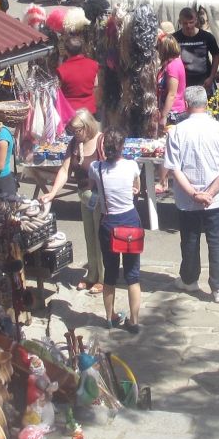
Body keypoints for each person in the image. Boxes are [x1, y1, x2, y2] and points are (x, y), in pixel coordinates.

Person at [156, 86, 219, 302]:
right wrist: (210, 193)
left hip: (188, 198)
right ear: (206, 104)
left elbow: (174, 168)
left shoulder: (177, 131)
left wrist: (195, 194)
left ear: (186, 104)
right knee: (216, 240)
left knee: (190, 239)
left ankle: (189, 279)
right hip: (217, 197)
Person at [38, 110, 104, 295]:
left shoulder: (101, 141)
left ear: (88, 126)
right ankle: (92, 274)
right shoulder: (75, 143)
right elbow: (65, 170)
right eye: (72, 130)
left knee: (100, 238)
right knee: (89, 236)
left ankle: (103, 278)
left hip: (100, 197)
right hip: (84, 196)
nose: (75, 134)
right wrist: (52, 193)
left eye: (77, 130)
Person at [89, 130, 144, 333]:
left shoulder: (97, 168)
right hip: (130, 221)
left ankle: (110, 317)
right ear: (122, 147)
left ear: (103, 148)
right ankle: (134, 321)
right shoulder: (131, 166)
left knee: (110, 274)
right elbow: (136, 187)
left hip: (109, 224)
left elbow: (91, 184)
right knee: (133, 275)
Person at [175, 7, 219, 93]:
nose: (188, 26)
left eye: (191, 22)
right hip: (183, 82)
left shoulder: (207, 37)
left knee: (208, 106)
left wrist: (211, 77)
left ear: (196, 20)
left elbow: (216, 55)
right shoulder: (175, 38)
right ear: (180, 22)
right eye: (185, 23)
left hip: (204, 82)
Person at [56, 33, 100, 115]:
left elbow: (58, 91)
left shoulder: (61, 70)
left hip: (70, 111)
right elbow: (95, 84)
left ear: (66, 51)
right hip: (89, 110)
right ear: (81, 49)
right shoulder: (94, 64)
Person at [158, 35, 188, 125]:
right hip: (170, 110)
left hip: (173, 113)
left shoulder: (173, 66)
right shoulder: (172, 63)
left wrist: (163, 116)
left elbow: (172, 94)